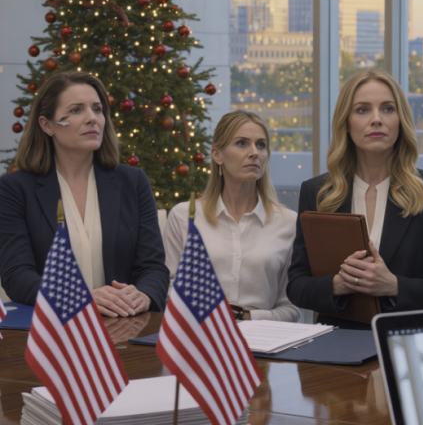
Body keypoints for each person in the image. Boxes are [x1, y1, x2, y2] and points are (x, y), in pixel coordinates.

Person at [287, 70, 423, 326]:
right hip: (336, 340)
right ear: (346, 123)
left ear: (401, 120)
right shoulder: (316, 192)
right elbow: (297, 286)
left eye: (388, 109)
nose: (377, 119)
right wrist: (339, 284)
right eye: (363, 110)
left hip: (404, 340)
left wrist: (393, 285)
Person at [0, 71, 168, 317]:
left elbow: (153, 268)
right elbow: (17, 276)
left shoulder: (133, 182)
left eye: (97, 109)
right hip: (51, 329)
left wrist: (143, 296)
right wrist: (79, 297)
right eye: (76, 110)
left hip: (124, 326)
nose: (92, 118)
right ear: (47, 125)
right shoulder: (14, 189)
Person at [163, 110, 299, 322]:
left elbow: (291, 308)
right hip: (199, 334)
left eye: (261, 145)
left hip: (263, 338)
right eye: (242, 143)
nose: (254, 152)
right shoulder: (184, 216)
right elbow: (169, 291)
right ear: (217, 155)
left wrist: (246, 317)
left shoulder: (288, 223)